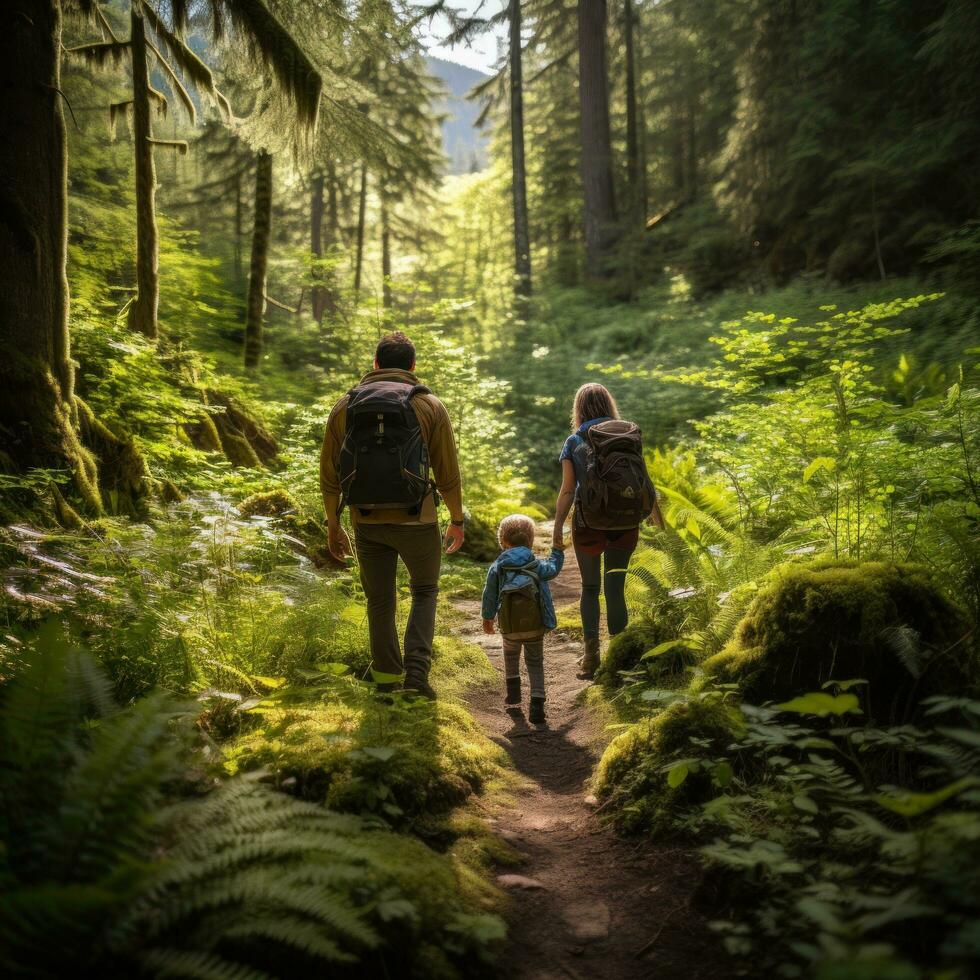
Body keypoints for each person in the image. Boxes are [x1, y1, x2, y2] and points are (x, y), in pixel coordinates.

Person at [320, 331, 465, 699]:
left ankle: (386, 677)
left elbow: (329, 474)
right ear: (413, 366)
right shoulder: (428, 404)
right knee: (425, 590)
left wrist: (333, 524)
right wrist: (457, 519)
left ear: (375, 364)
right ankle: (417, 677)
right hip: (418, 518)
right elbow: (448, 473)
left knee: (380, 599)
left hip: (366, 520)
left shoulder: (345, 405)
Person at [552, 383, 665, 680]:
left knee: (590, 589)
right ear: (609, 405)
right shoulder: (629, 434)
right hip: (626, 522)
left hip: (588, 523)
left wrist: (556, 531)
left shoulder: (574, 441)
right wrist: (656, 517)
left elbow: (566, 491)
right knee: (615, 589)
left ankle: (591, 659)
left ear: (579, 409)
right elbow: (644, 479)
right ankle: (619, 659)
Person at [481, 514, 564, 724]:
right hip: (535, 625)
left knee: (510, 657)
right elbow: (553, 569)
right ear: (530, 539)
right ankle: (537, 707)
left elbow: (489, 594)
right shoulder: (535, 565)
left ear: (503, 541)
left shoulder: (498, 566)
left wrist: (487, 618)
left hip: (509, 625)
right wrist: (557, 552)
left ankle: (514, 694)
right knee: (535, 662)